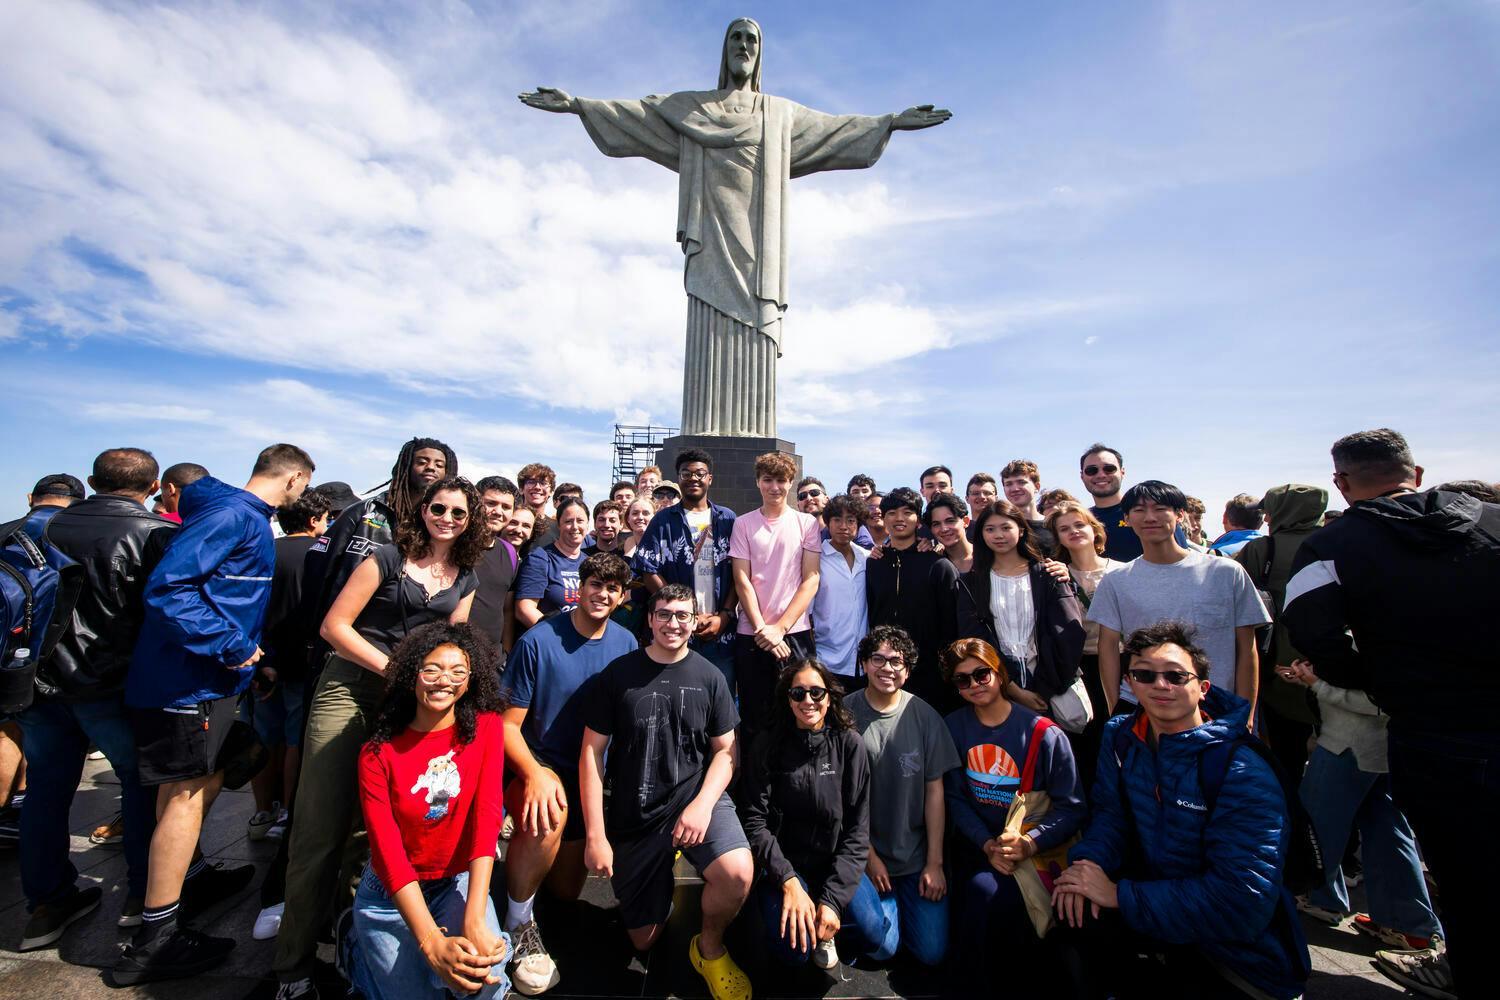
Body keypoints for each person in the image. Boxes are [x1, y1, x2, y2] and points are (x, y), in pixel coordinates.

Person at [1282, 428, 1500, 996]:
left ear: (1342, 483)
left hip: (1430, 732)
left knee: (1460, 864)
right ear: (1416, 473)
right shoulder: (1491, 521)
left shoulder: (1333, 544)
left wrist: (1380, 680)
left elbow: (1313, 632)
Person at [275, 476, 483, 1000]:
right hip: (352, 686)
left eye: (459, 513)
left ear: (470, 520)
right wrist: (398, 670)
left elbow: (451, 642)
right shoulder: (387, 558)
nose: (448, 519)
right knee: (319, 827)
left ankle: (356, 939)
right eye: (440, 508)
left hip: (411, 695)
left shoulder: (467, 574)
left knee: (377, 830)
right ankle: (292, 964)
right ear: (422, 510)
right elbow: (335, 627)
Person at [114, 443, 315, 986]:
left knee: (186, 792)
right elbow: (171, 588)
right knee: (184, 796)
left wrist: (254, 663)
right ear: (295, 479)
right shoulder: (233, 517)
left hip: (207, 679)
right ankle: (155, 940)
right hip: (188, 684)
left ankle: (188, 880)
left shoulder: (232, 513)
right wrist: (231, 644)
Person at [1053, 621, 1311, 1000]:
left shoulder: (1241, 769)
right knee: (1071, 917)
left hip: (1233, 953)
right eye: (1145, 675)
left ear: (1202, 687)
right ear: (1130, 682)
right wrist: (1086, 868)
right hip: (1157, 910)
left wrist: (1119, 895)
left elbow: (1242, 901)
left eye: (1175, 676)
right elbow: (1112, 816)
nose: (1161, 685)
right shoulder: (1121, 736)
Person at [15, 449, 176, 949]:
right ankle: (140, 897)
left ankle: (47, 901)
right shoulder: (154, 534)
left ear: (91, 481)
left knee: (45, 791)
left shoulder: (38, 531)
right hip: (113, 685)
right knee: (140, 787)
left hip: (39, 685)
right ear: (152, 487)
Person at [579, 584, 755, 1000]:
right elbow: (591, 753)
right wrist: (595, 835)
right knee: (644, 940)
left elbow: (728, 753)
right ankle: (656, 873)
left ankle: (709, 948)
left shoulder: (710, 677)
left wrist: (703, 804)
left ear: (694, 623)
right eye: (664, 614)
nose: (672, 623)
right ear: (650, 619)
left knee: (737, 876)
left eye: (681, 616)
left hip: (696, 797)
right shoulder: (618, 676)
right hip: (637, 811)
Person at [497, 553, 637, 995]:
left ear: (621, 596)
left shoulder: (626, 643)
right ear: (582, 587)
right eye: (596, 584)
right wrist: (535, 775)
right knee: (548, 812)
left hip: (591, 775)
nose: (603, 594)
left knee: (565, 891)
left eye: (612, 588)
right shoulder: (538, 641)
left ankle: (523, 869)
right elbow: (506, 727)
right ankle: (516, 924)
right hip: (542, 765)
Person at [347, 622, 509, 1000]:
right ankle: (355, 953)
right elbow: (387, 852)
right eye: (432, 669)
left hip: (456, 879)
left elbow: (487, 817)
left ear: (471, 680)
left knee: (485, 982)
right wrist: (429, 942)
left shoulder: (486, 729)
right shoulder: (377, 753)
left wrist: (474, 913)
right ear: (412, 676)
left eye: (457, 671)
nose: (443, 681)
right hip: (391, 894)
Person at [942, 638, 1085, 997]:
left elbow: (1072, 807)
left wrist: (1028, 843)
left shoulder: (1045, 733)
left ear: (999, 673)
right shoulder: (953, 728)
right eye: (963, 680)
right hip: (981, 847)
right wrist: (986, 843)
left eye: (981, 674)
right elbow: (956, 798)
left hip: (1036, 851)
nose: (974, 685)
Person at [1285, 658, 1443, 953]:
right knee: (1389, 834)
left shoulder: (1378, 639)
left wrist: (1317, 685)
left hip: (1348, 747)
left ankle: (1319, 897)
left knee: (1314, 829)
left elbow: (1381, 701)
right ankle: (1407, 925)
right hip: (1375, 751)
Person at [740, 658, 880, 970]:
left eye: (816, 693)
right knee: (795, 952)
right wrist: (788, 881)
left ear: (830, 697)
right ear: (786, 698)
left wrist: (832, 900)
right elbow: (754, 821)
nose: (808, 701)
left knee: (872, 934)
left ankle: (825, 920)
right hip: (783, 866)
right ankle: (804, 919)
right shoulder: (768, 744)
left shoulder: (849, 745)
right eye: (798, 693)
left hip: (832, 862)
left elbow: (858, 831)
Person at [1087, 481, 1269, 715]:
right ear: (1127, 518)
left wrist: (1247, 713)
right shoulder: (1116, 581)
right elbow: (1108, 647)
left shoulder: (1226, 572)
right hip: (1146, 708)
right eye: (1139, 510)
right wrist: (1116, 708)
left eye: (1160, 508)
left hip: (1219, 706)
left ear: (1180, 514)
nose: (1150, 517)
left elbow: (1246, 647)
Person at [847, 626, 957, 966]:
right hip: (863, 856)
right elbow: (836, 796)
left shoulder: (924, 717)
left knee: (932, 953)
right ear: (864, 664)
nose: (887, 668)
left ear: (907, 671)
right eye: (877, 658)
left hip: (914, 859)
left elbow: (935, 792)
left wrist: (935, 864)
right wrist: (867, 854)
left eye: (896, 661)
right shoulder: (843, 715)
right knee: (881, 948)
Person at [302, 438, 458, 661]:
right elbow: (317, 575)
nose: (431, 467)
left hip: (410, 653)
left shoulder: (444, 528)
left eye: (439, 464)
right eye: (422, 461)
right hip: (344, 645)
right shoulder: (363, 513)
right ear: (405, 466)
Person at [954, 501, 1086, 734]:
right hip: (997, 684)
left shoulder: (1047, 573)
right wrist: (1014, 689)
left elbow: (1069, 633)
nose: (998, 535)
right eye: (990, 529)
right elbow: (974, 639)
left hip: (1050, 682)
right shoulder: (971, 582)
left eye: (1006, 527)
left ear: (1021, 530)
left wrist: (1045, 688)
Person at [247, 487, 332, 842]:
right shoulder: (320, 554)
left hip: (258, 659)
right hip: (301, 663)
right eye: (326, 519)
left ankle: (262, 811)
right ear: (314, 520)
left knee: (265, 739)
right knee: (297, 741)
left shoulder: (263, 551)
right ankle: (288, 812)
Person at [1235, 484, 1328, 790]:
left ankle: (1294, 826)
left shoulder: (1263, 549)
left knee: (1286, 756)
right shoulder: (1336, 542)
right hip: (1335, 664)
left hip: (1279, 665)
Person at [730, 452, 821, 735]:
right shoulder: (743, 524)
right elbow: (741, 578)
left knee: (799, 712)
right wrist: (763, 630)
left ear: (790, 483)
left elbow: (811, 578)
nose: (774, 487)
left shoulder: (806, 524)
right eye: (767, 480)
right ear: (758, 482)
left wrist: (780, 629)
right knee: (754, 715)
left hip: (794, 632)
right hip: (752, 633)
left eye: (781, 480)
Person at [636, 448, 738, 686]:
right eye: (686, 473)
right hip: (676, 631)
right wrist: (682, 611)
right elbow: (648, 568)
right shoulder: (663, 520)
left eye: (700, 473)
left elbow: (739, 572)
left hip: (720, 634)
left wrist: (724, 616)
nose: (693, 478)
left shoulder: (728, 519)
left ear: (709, 478)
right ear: (678, 478)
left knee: (720, 707)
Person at [1044, 500, 1121, 788]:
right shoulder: (1055, 574)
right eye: (1064, 528)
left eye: (1079, 524)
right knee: (1090, 740)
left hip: (1125, 661)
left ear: (1094, 528)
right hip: (1083, 665)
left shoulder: (1122, 571)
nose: (1073, 531)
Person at [865, 488, 957, 710]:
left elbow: (951, 624)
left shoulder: (938, 564)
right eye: (892, 513)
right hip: (884, 667)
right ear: (884, 519)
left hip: (929, 672)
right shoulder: (874, 562)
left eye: (907, 512)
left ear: (918, 521)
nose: (899, 519)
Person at [1078, 443, 1184, 561]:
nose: (1101, 474)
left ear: (1122, 472)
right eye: (1091, 470)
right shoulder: (1081, 520)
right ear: (1082, 476)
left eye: (1109, 469)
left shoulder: (1150, 512)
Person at [809, 495, 869, 683]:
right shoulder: (815, 559)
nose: (844, 526)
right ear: (827, 523)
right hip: (827, 660)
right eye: (837, 520)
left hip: (864, 663)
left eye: (851, 520)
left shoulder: (867, 558)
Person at [514, 496, 589, 630]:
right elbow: (524, 610)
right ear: (558, 525)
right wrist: (558, 636)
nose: (575, 526)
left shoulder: (589, 562)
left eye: (580, 521)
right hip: (551, 640)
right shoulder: (540, 558)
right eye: (568, 521)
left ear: (588, 524)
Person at [471, 476, 520, 659]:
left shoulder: (509, 553)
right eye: (491, 503)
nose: (498, 511)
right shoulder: (454, 546)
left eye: (506, 507)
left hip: (493, 659)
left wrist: (505, 653)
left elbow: (507, 610)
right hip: (452, 659)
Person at [999, 459, 1054, 553]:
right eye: (1008, 484)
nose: (1015, 489)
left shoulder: (1054, 525)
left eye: (1021, 482)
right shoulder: (998, 527)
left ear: (1037, 487)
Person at [925, 492, 973, 574]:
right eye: (936, 524)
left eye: (950, 521)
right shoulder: (932, 566)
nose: (944, 529)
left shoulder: (989, 555)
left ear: (965, 521)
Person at [516, 463, 557, 548]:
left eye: (543, 483)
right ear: (521, 489)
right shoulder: (509, 523)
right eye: (531, 482)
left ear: (551, 491)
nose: (537, 487)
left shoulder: (558, 529)